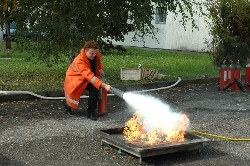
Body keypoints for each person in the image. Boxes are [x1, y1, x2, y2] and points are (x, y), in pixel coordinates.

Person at [64, 40, 112, 120]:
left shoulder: (96, 55)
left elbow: (98, 64)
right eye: (91, 53)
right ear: (86, 50)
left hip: (87, 79)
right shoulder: (79, 61)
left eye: (95, 53)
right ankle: (67, 106)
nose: (94, 55)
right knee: (73, 95)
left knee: (95, 89)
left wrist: (100, 69)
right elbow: (90, 76)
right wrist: (104, 85)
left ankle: (91, 112)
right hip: (75, 80)